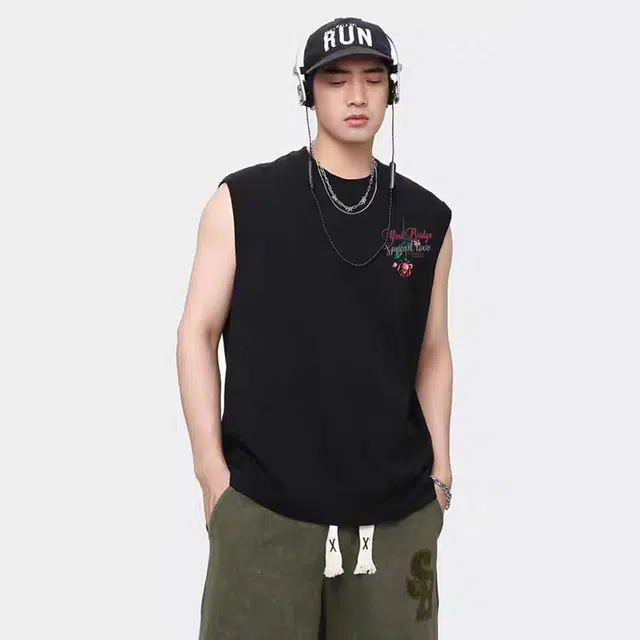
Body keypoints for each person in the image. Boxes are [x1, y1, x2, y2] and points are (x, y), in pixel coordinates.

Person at [176, 15, 454, 640]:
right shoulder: (244, 201)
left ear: (392, 91)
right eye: (336, 80)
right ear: (308, 91)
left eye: (373, 79)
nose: (357, 95)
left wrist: (441, 471)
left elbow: (433, 351)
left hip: (395, 517)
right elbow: (196, 332)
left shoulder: (426, 218)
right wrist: (211, 475)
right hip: (264, 509)